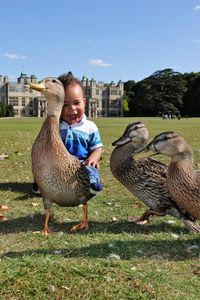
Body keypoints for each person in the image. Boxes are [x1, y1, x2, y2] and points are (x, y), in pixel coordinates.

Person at [32, 72, 103, 196]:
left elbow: (97, 148)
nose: (72, 109)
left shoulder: (90, 126)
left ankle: (92, 183)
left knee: (91, 169)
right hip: (59, 167)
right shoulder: (55, 126)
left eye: (77, 103)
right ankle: (41, 184)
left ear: (84, 102)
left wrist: (92, 159)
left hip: (81, 165)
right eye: (65, 105)